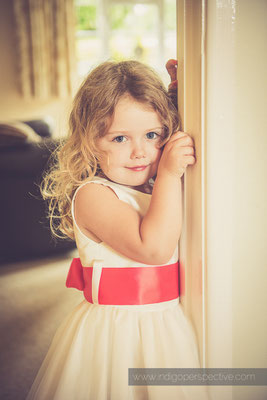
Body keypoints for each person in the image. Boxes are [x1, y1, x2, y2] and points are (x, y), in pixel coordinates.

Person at [26, 60, 209, 400]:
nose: (140, 151)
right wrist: (169, 173)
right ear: (90, 141)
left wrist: (179, 95)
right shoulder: (93, 196)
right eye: (120, 137)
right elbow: (151, 249)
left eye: (152, 135)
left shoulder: (149, 185)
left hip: (166, 325)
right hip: (119, 334)